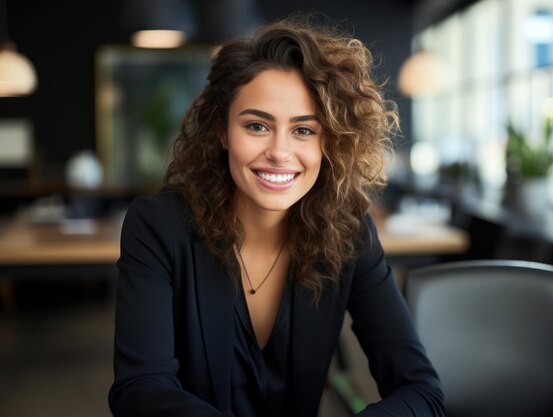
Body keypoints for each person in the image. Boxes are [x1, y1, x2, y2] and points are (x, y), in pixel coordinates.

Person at [108, 16, 445, 417]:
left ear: (329, 141)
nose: (280, 152)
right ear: (221, 130)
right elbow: (140, 389)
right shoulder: (158, 225)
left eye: (304, 130)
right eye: (256, 126)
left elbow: (421, 390)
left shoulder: (349, 231)